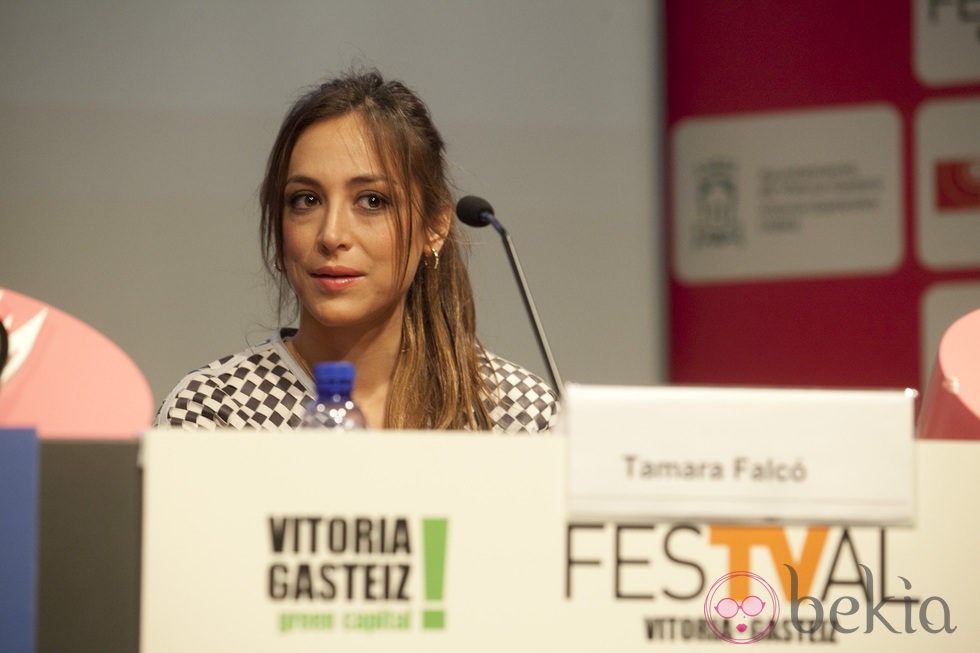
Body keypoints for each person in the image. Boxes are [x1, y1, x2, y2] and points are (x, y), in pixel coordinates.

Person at [155, 69, 558, 432]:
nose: (331, 235)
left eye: (372, 201)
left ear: (434, 228)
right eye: (306, 200)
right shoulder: (217, 412)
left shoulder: (517, 416)